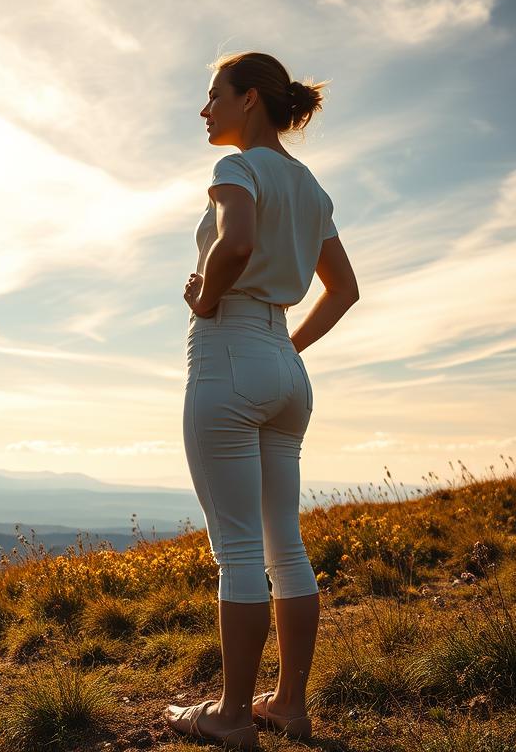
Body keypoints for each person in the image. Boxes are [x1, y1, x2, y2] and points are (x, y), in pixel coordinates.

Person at [164, 50, 360, 749]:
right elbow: (345, 289)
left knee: (239, 552)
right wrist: (285, 353)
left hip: (228, 352)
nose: (204, 108)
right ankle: (290, 707)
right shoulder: (309, 186)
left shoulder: (234, 167)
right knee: (287, 547)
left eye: (213, 94)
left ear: (248, 99)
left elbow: (237, 240)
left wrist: (208, 296)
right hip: (284, 365)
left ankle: (231, 716)